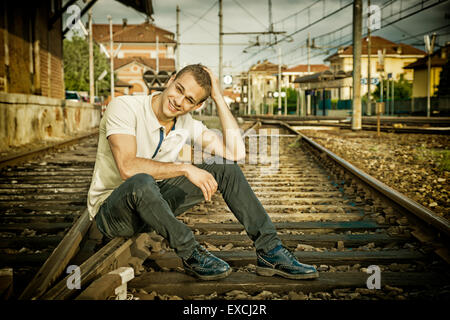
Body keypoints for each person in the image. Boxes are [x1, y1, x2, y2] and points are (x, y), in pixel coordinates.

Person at [87, 64, 318, 281]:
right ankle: (191, 253)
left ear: (197, 106)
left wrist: (218, 96)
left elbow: (236, 153)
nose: (178, 101)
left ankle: (270, 250)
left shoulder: (187, 124)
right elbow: (127, 166)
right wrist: (185, 168)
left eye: (189, 100)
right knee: (142, 181)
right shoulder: (125, 107)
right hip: (113, 213)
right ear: (170, 80)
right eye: (178, 89)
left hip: (153, 210)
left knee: (224, 167)